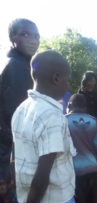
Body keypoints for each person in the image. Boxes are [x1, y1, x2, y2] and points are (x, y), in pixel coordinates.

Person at [10, 50, 78, 203]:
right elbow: (43, 173)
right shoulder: (52, 115)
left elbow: (14, 158)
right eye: (67, 79)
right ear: (56, 78)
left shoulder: (21, 110)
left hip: (28, 202)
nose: (68, 84)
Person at [0, 18, 39, 188]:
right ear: (12, 38)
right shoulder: (17, 67)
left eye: (36, 36)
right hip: (13, 150)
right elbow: (18, 116)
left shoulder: (25, 65)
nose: (33, 40)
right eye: (25, 34)